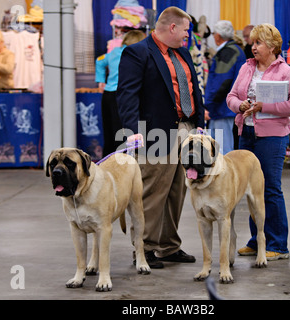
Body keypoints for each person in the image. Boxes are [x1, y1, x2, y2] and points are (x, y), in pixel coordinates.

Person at [117, 7, 205, 268]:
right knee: (152, 192)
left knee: (177, 191)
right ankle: (144, 249)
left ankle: (169, 246)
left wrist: (199, 125)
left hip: (186, 130)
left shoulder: (183, 53)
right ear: (172, 28)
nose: (187, 36)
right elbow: (127, 95)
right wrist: (132, 133)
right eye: (186, 31)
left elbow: (193, 89)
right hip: (155, 133)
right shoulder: (138, 53)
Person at [226, 23, 290, 261]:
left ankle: (278, 245)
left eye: (258, 43)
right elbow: (231, 97)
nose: (253, 46)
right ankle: (256, 239)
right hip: (245, 134)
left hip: (272, 137)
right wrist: (241, 106)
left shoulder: (285, 71)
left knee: (270, 189)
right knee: (250, 190)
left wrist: (263, 106)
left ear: (271, 46)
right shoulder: (246, 68)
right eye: (253, 42)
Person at [96, 30, 146, 157]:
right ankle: (122, 162)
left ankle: (107, 162)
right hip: (122, 94)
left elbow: (99, 61)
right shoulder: (136, 54)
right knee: (122, 132)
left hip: (108, 95)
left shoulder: (113, 52)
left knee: (109, 132)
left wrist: (101, 80)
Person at [205, 20, 246, 155]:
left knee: (222, 148)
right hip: (225, 107)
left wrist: (208, 104)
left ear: (218, 36)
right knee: (220, 146)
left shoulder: (228, 52)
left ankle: (225, 176)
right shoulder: (235, 50)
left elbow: (221, 82)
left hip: (222, 108)